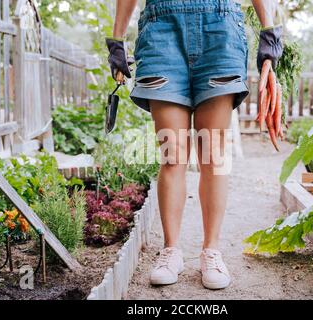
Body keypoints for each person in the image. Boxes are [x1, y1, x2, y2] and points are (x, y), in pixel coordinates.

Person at [106, 0, 283, 290]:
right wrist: (117, 38)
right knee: (172, 155)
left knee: (212, 155)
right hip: (161, 29)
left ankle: (211, 251)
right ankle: (171, 251)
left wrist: (269, 30)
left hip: (220, 27)